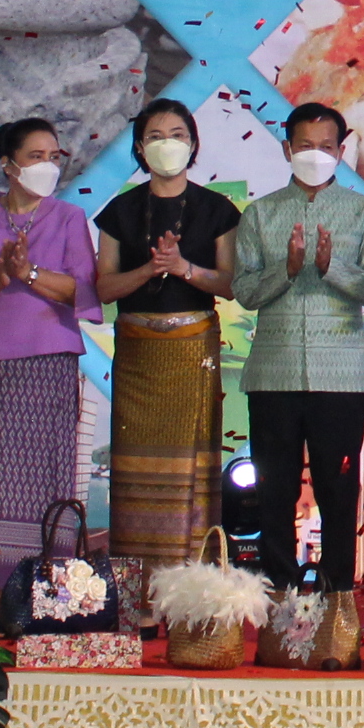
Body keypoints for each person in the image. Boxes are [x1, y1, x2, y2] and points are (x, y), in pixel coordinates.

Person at [0, 116, 100, 589]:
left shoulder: (68, 218)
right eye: (35, 157)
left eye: (53, 157)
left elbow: (84, 290)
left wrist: (29, 273)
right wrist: (0, 278)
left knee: (49, 471)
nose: (48, 165)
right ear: (8, 165)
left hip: (50, 362)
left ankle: (52, 581)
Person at [234, 103, 364, 595]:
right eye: (305, 146)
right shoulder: (260, 213)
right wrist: (286, 268)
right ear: (286, 149)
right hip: (273, 372)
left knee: (338, 489)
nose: (316, 155)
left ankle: (337, 592)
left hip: (340, 373)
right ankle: (278, 591)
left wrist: (329, 267)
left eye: (326, 147)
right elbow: (244, 291)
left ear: (341, 152)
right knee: (274, 490)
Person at [93, 99, 238, 568]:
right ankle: (135, 575)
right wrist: (150, 269)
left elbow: (230, 284)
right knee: (135, 466)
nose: (167, 145)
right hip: (138, 357)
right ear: (139, 147)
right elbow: (104, 287)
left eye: (177, 135)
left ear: (193, 145)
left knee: (190, 469)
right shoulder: (119, 210)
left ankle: (190, 575)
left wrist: (183, 267)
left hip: (192, 352)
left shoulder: (218, 210)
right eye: (156, 137)